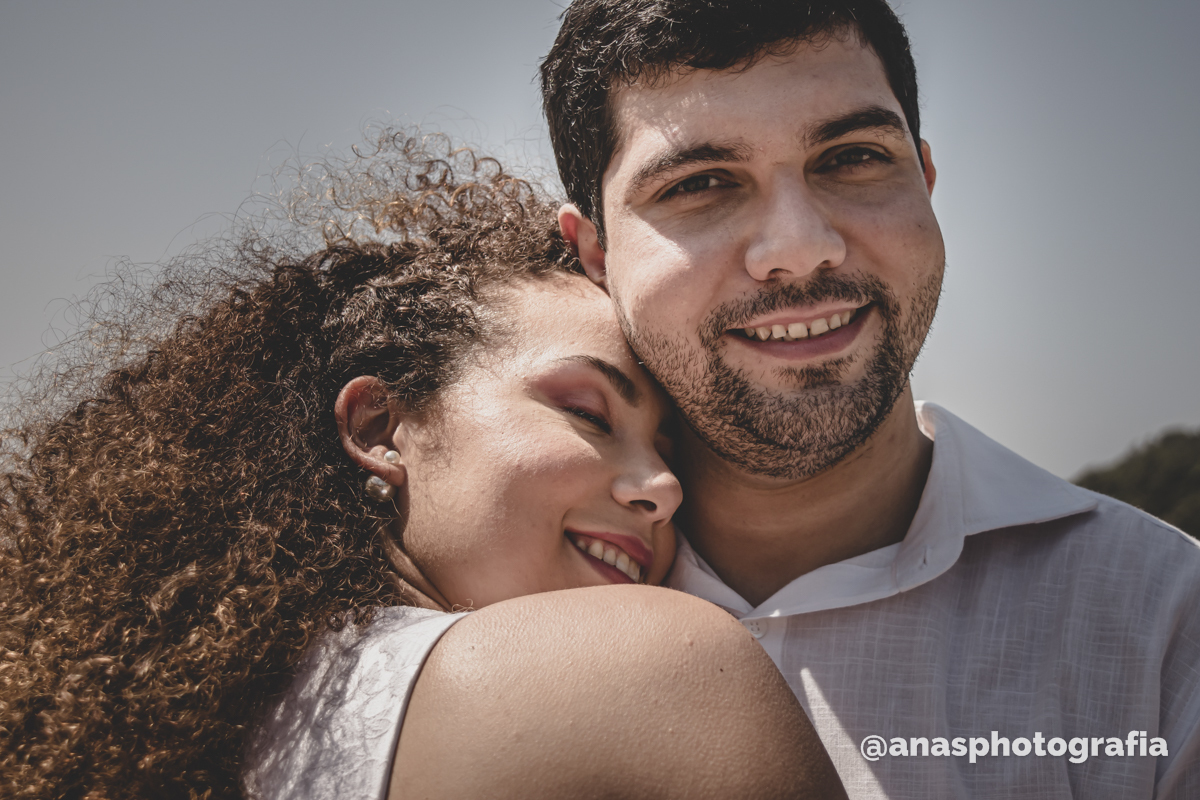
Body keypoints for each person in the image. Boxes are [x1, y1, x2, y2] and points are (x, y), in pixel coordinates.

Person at [0, 135, 845, 799]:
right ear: (379, 426)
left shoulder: (160, 724)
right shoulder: (666, 667)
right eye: (589, 414)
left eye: (669, 453)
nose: (662, 490)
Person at [536, 1, 1200, 797]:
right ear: (596, 252)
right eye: (701, 183)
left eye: (852, 157)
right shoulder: (491, 618)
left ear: (924, 180)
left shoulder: (1166, 623)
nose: (801, 247)